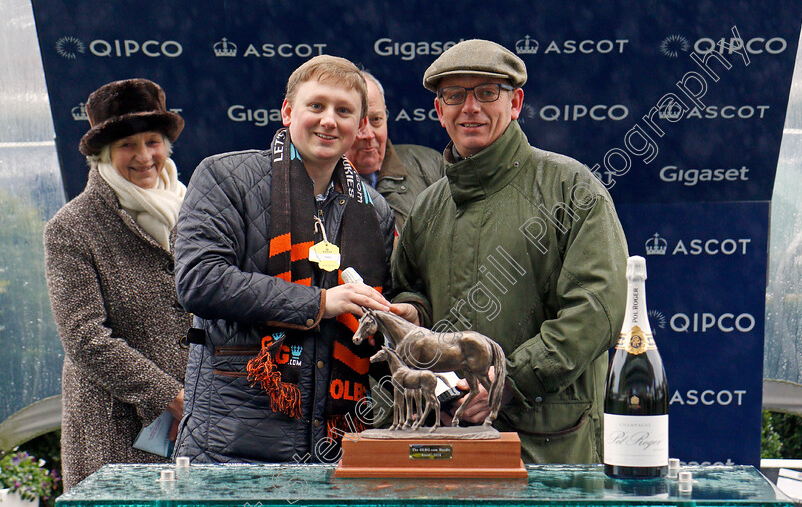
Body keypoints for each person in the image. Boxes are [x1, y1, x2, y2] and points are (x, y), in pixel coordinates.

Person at [389, 40, 629, 464]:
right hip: (452, 444)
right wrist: (412, 314)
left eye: (486, 92)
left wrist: (507, 381)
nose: (470, 107)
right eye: (455, 95)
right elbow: (411, 291)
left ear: (515, 102)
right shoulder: (428, 207)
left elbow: (597, 311)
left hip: (549, 451)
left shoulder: (572, 188)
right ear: (439, 110)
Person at [173, 55, 395, 464]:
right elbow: (199, 280)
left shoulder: (375, 211)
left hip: (337, 447)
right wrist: (320, 305)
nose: (329, 120)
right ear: (288, 111)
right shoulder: (225, 177)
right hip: (232, 447)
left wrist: (399, 316)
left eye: (344, 111)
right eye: (317, 106)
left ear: (360, 125)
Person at [43, 79, 191, 489]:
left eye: (152, 141)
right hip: (114, 430)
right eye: (128, 145)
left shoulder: (194, 209)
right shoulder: (72, 228)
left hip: (199, 423)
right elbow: (84, 338)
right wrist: (170, 396)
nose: (144, 156)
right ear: (104, 155)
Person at [345, 71, 445, 231]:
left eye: (376, 119)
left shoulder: (429, 165)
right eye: (357, 123)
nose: (369, 134)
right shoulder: (317, 183)